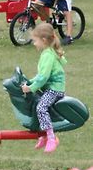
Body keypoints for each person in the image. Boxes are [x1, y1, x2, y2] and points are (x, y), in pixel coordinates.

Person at [21, 23, 66, 153]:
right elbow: (40, 76)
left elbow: (43, 78)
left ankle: (51, 138)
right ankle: (43, 135)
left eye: (35, 41)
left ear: (44, 40)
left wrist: (31, 88)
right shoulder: (48, 52)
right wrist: (30, 82)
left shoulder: (48, 55)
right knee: (36, 105)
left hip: (54, 89)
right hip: (51, 88)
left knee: (41, 107)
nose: (34, 43)